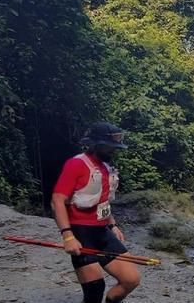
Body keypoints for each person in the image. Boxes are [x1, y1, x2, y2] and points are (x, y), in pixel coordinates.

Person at [51, 122, 141, 303]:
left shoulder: (106, 168)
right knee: (95, 289)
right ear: (96, 144)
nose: (114, 151)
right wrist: (68, 236)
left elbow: (102, 201)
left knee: (131, 279)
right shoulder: (76, 164)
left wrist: (112, 224)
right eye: (110, 147)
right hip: (80, 233)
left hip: (102, 232)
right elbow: (57, 201)